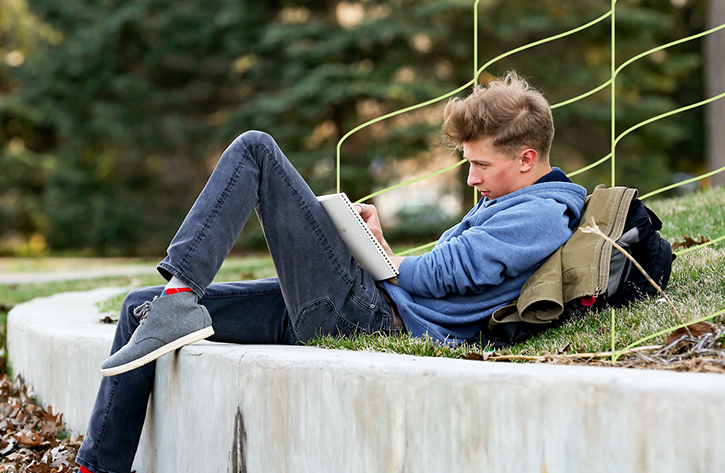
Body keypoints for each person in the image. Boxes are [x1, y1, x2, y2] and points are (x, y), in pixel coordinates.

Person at [75, 71, 586, 473]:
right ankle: (98, 467)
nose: (471, 178)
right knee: (142, 309)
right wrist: (377, 249)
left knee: (256, 148)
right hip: (369, 304)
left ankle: (182, 291)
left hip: (371, 319)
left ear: (525, 158)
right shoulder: (512, 198)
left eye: (480, 166)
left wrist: (387, 264)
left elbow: (445, 272)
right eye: (467, 164)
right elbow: (449, 276)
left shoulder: (542, 212)